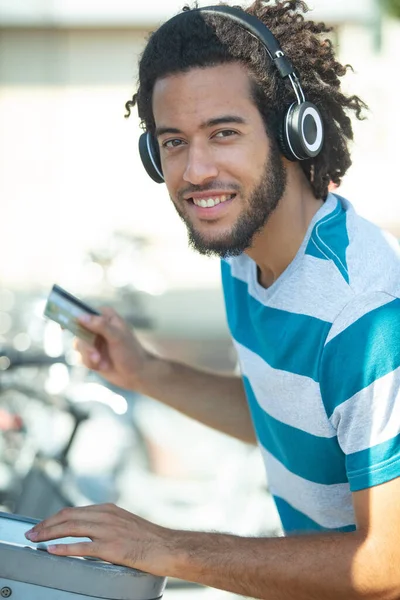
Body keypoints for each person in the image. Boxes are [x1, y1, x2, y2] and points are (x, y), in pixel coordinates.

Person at [25, 1, 400, 598]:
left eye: (223, 133)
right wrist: (147, 372)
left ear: (292, 131)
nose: (196, 170)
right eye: (173, 141)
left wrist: (166, 547)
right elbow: (288, 415)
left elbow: (387, 563)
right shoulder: (243, 255)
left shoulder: (366, 314)